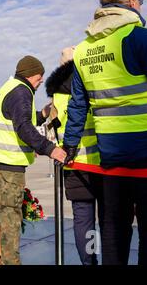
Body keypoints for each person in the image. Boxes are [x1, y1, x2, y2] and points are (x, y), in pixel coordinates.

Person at [63, 0, 147, 265]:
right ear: (133, 3)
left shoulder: (84, 50)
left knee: (114, 229)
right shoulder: (143, 38)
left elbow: (78, 105)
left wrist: (70, 145)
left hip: (111, 157)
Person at [0, 55, 67, 265]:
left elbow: (19, 119)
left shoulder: (10, 87)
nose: (40, 83)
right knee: (10, 219)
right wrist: (50, 149)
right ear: (31, 75)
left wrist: (43, 114)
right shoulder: (22, 92)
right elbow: (23, 127)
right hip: (9, 169)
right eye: (40, 78)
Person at [45, 47, 103, 265]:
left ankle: (89, 262)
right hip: (101, 161)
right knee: (109, 218)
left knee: (83, 220)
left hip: (73, 165)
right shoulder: (91, 83)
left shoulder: (56, 97)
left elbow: (52, 132)